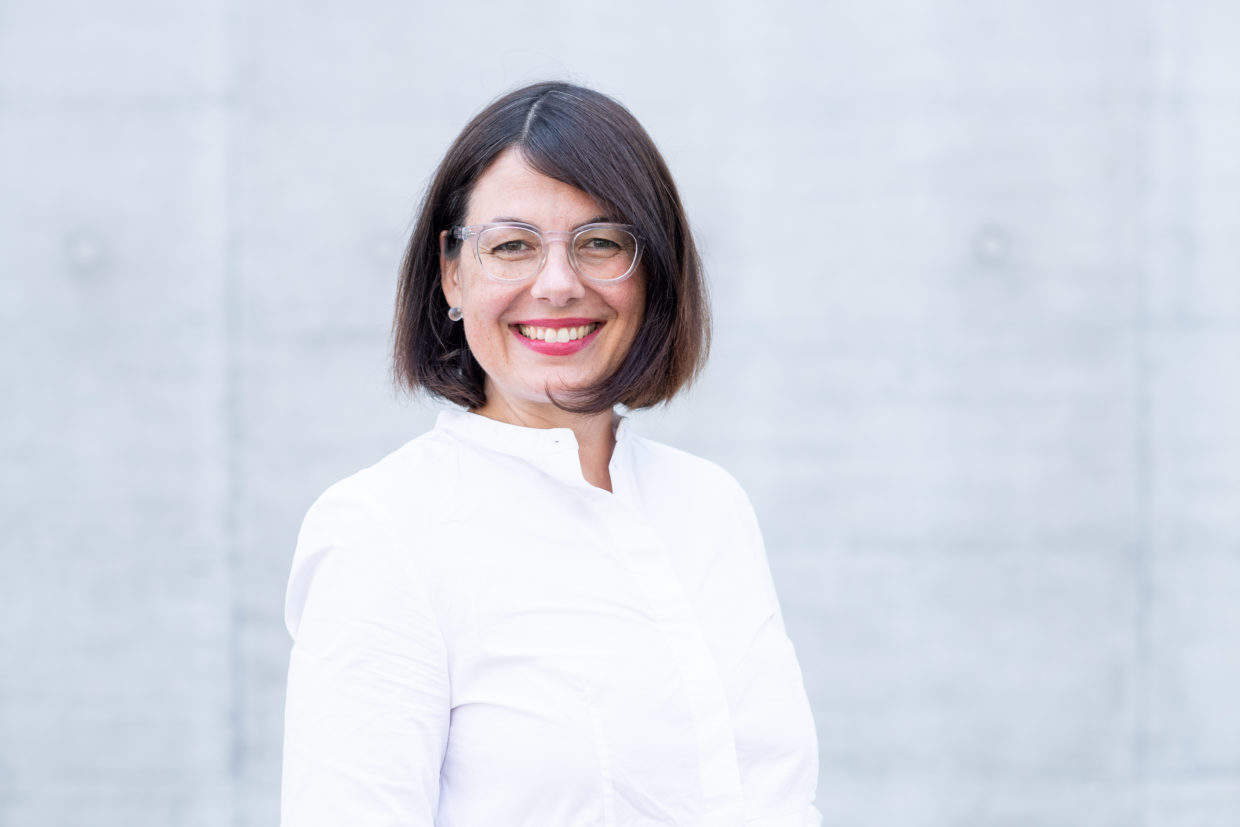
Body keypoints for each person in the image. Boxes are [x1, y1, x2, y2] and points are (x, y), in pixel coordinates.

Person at [280, 80, 822, 826]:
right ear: (451, 274)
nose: (559, 283)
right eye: (512, 246)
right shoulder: (384, 532)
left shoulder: (710, 506)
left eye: (601, 242)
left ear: (652, 270)